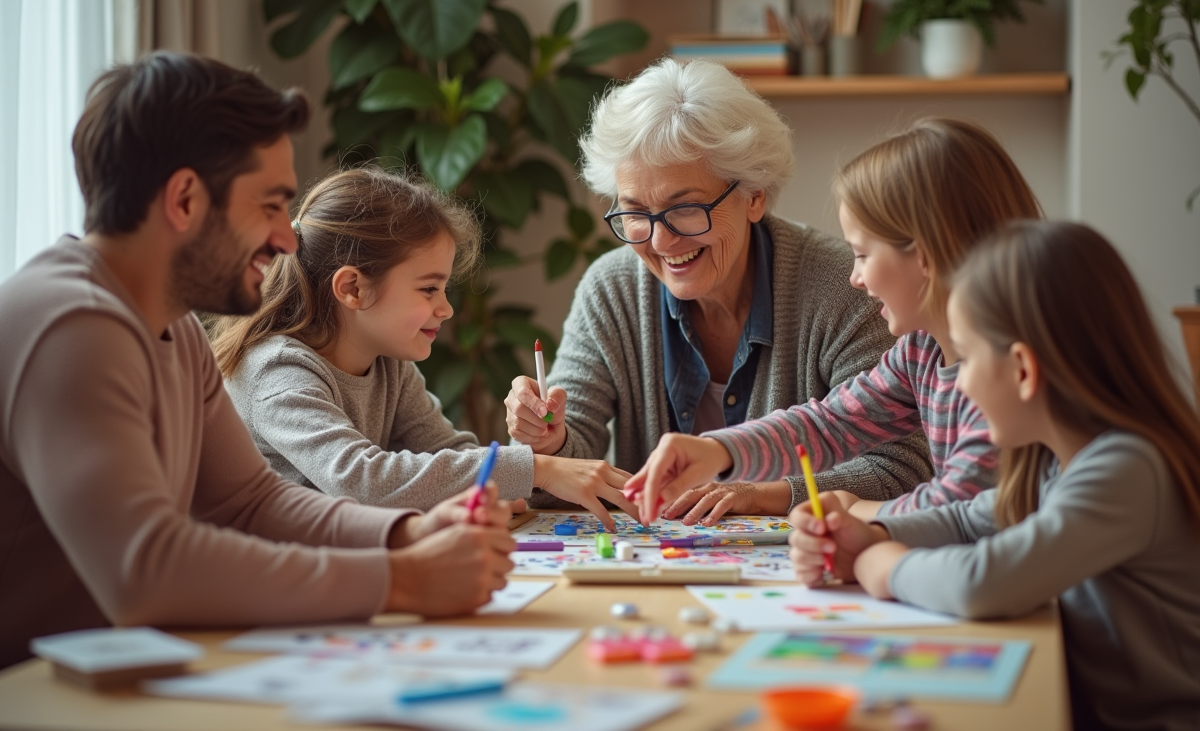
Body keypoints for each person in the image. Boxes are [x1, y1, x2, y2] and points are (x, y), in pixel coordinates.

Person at [0, 52, 515, 670]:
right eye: (269, 205)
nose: (288, 239)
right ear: (185, 200)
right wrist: (401, 579)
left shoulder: (174, 327)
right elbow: (144, 570)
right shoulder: (73, 323)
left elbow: (249, 503)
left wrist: (405, 534)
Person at [789, 221, 1200, 730]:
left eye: (966, 358)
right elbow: (970, 520)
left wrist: (880, 564)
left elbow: (984, 582)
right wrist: (871, 533)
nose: (958, 383)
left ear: (1023, 370)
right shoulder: (1054, 461)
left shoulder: (1128, 470)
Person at [504, 58, 932, 519]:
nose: (660, 241)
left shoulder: (844, 287)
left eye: (686, 209)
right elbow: (556, 482)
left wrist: (762, 493)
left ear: (754, 196)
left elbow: (901, 469)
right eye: (636, 212)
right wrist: (549, 442)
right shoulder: (612, 290)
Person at [629, 118, 1043, 522]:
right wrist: (718, 451)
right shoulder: (920, 352)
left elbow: (957, 513)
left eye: (862, 254)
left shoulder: (1004, 373)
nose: (855, 278)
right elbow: (829, 424)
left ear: (925, 255)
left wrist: (853, 509)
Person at [213, 166, 638, 529]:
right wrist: (536, 469)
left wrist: (499, 483)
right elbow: (362, 479)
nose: (446, 309)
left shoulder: (389, 367)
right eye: (429, 289)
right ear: (353, 288)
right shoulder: (275, 370)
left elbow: (449, 454)